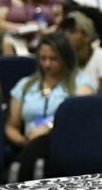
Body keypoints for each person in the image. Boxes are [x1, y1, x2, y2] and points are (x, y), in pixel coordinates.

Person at [5, 33, 95, 180]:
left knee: (47, 139)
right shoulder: (25, 85)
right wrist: (22, 141)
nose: (47, 64)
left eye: (53, 59)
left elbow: (77, 114)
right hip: (29, 143)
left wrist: (48, 127)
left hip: (65, 142)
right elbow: (11, 126)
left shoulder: (81, 82)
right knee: (37, 147)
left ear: (65, 58)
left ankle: (18, 173)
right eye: (43, 58)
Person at [60, 9, 102, 94]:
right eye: (64, 32)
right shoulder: (64, 60)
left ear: (87, 36)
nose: (66, 36)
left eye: (72, 31)